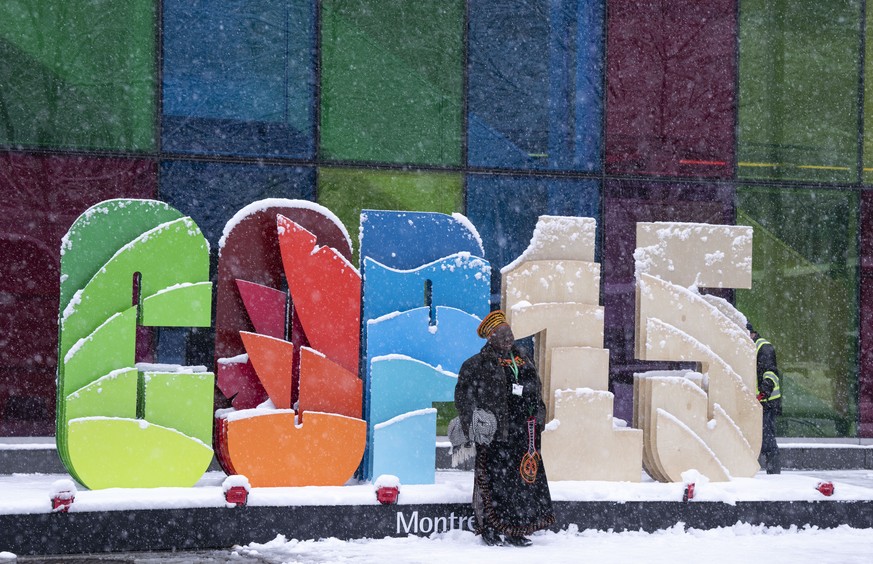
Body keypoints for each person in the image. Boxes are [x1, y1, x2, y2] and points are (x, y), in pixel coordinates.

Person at [454, 310, 556, 547]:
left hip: (523, 433)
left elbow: (536, 391)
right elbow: (463, 397)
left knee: (520, 483)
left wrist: (538, 416)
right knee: (492, 482)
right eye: (501, 334)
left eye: (509, 333)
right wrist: (474, 424)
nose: (508, 338)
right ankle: (488, 528)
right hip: (495, 434)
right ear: (490, 337)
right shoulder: (476, 364)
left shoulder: (524, 359)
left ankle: (515, 529)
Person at [748, 322, 782, 474]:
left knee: (766, 438)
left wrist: (764, 391)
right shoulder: (747, 347)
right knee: (756, 436)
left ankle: (773, 471)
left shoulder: (763, 347)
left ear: (752, 333)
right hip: (756, 400)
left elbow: (771, 373)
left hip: (766, 401)